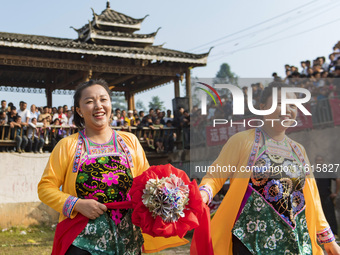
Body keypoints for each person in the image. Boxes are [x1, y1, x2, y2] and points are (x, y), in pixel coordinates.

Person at [38, 79, 186, 254]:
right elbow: (45, 188)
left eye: (103, 99)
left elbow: (148, 184)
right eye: (89, 101)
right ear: (79, 110)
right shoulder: (67, 145)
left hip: (128, 239)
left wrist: (169, 195)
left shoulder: (130, 141)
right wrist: (77, 204)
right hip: (82, 240)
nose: (98, 106)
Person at [198, 82, 340, 254]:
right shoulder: (242, 140)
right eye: (279, 103)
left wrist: (327, 239)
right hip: (250, 240)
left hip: (295, 241)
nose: (287, 109)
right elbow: (216, 175)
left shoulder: (298, 150)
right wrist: (204, 192)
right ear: (262, 107)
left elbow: (312, 198)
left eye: (293, 105)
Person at [314, 155, 340, 238]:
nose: (319, 162)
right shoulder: (315, 172)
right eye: (318, 161)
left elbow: (337, 179)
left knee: (330, 215)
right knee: (320, 215)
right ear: (316, 162)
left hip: (327, 196)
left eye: (321, 160)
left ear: (323, 161)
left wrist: (336, 193)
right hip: (318, 197)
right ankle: (321, 234)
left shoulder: (328, 171)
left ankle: (334, 234)